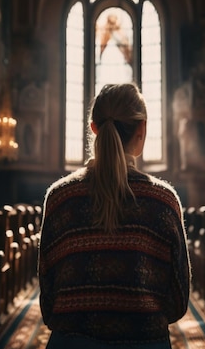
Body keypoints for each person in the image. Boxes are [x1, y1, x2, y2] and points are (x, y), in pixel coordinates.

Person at [38, 83, 191, 349]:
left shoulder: (59, 198)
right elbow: (177, 300)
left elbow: (48, 296)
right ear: (141, 129)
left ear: (93, 128)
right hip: (145, 341)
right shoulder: (163, 201)